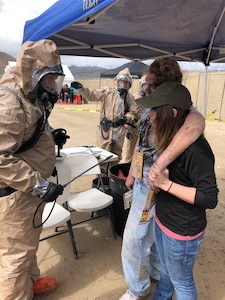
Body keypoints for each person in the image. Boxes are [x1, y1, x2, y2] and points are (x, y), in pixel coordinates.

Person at [119, 58, 205, 300]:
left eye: (152, 86)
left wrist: (159, 166)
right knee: (145, 237)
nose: (146, 90)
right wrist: (133, 174)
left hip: (161, 187)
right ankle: (146, 280)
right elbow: (141, 140)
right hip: (145, 184)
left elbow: (198, 123)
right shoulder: (151, 107)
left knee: (139, 239)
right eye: (145, 84)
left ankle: (140, 286)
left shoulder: (183, 113)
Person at [136, 82, 218, 300]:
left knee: (182, 282)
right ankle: (162, 296)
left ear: (172, 113)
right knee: (166, 269)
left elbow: (209, 198)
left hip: (182, 231)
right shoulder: (172, 139)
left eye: (155, 110)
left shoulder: (196, 150)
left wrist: (166, 185)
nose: (150, 115)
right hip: (165, 221)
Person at [0, 39, 66, 300]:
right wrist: (40, 185)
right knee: (15, 256)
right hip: (16, 195)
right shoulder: (9, 103)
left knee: (26, 244)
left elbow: (27, 130)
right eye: (50, 79)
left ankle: (33, 282)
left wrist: (49, 136)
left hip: (27, 195)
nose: (53, 86)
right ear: (35, 72)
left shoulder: (30, 93)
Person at [71, 68, 138, 174]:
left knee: (116, 157)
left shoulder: (129, 97)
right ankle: (101, 180)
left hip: (119, 130)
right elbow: (92, 95)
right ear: (117, 80)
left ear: (129, 84)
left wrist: (126, 118)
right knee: (102, 156)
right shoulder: (107, 91)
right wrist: (82, 89)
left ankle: (112, 179)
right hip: (105, 130)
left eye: (126, 82)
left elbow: (133, 112)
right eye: (122, 81)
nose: (123, 84)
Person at [121, 75, 146, 164]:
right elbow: (128, 113)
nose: (146, 87)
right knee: (130, 154)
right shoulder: (133, 97)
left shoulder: (151, 99)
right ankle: (127, 173)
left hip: (146, 130)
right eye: (144, 84)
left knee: (143, 153)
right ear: (141, 85)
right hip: (134, 128)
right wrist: (128, 128)